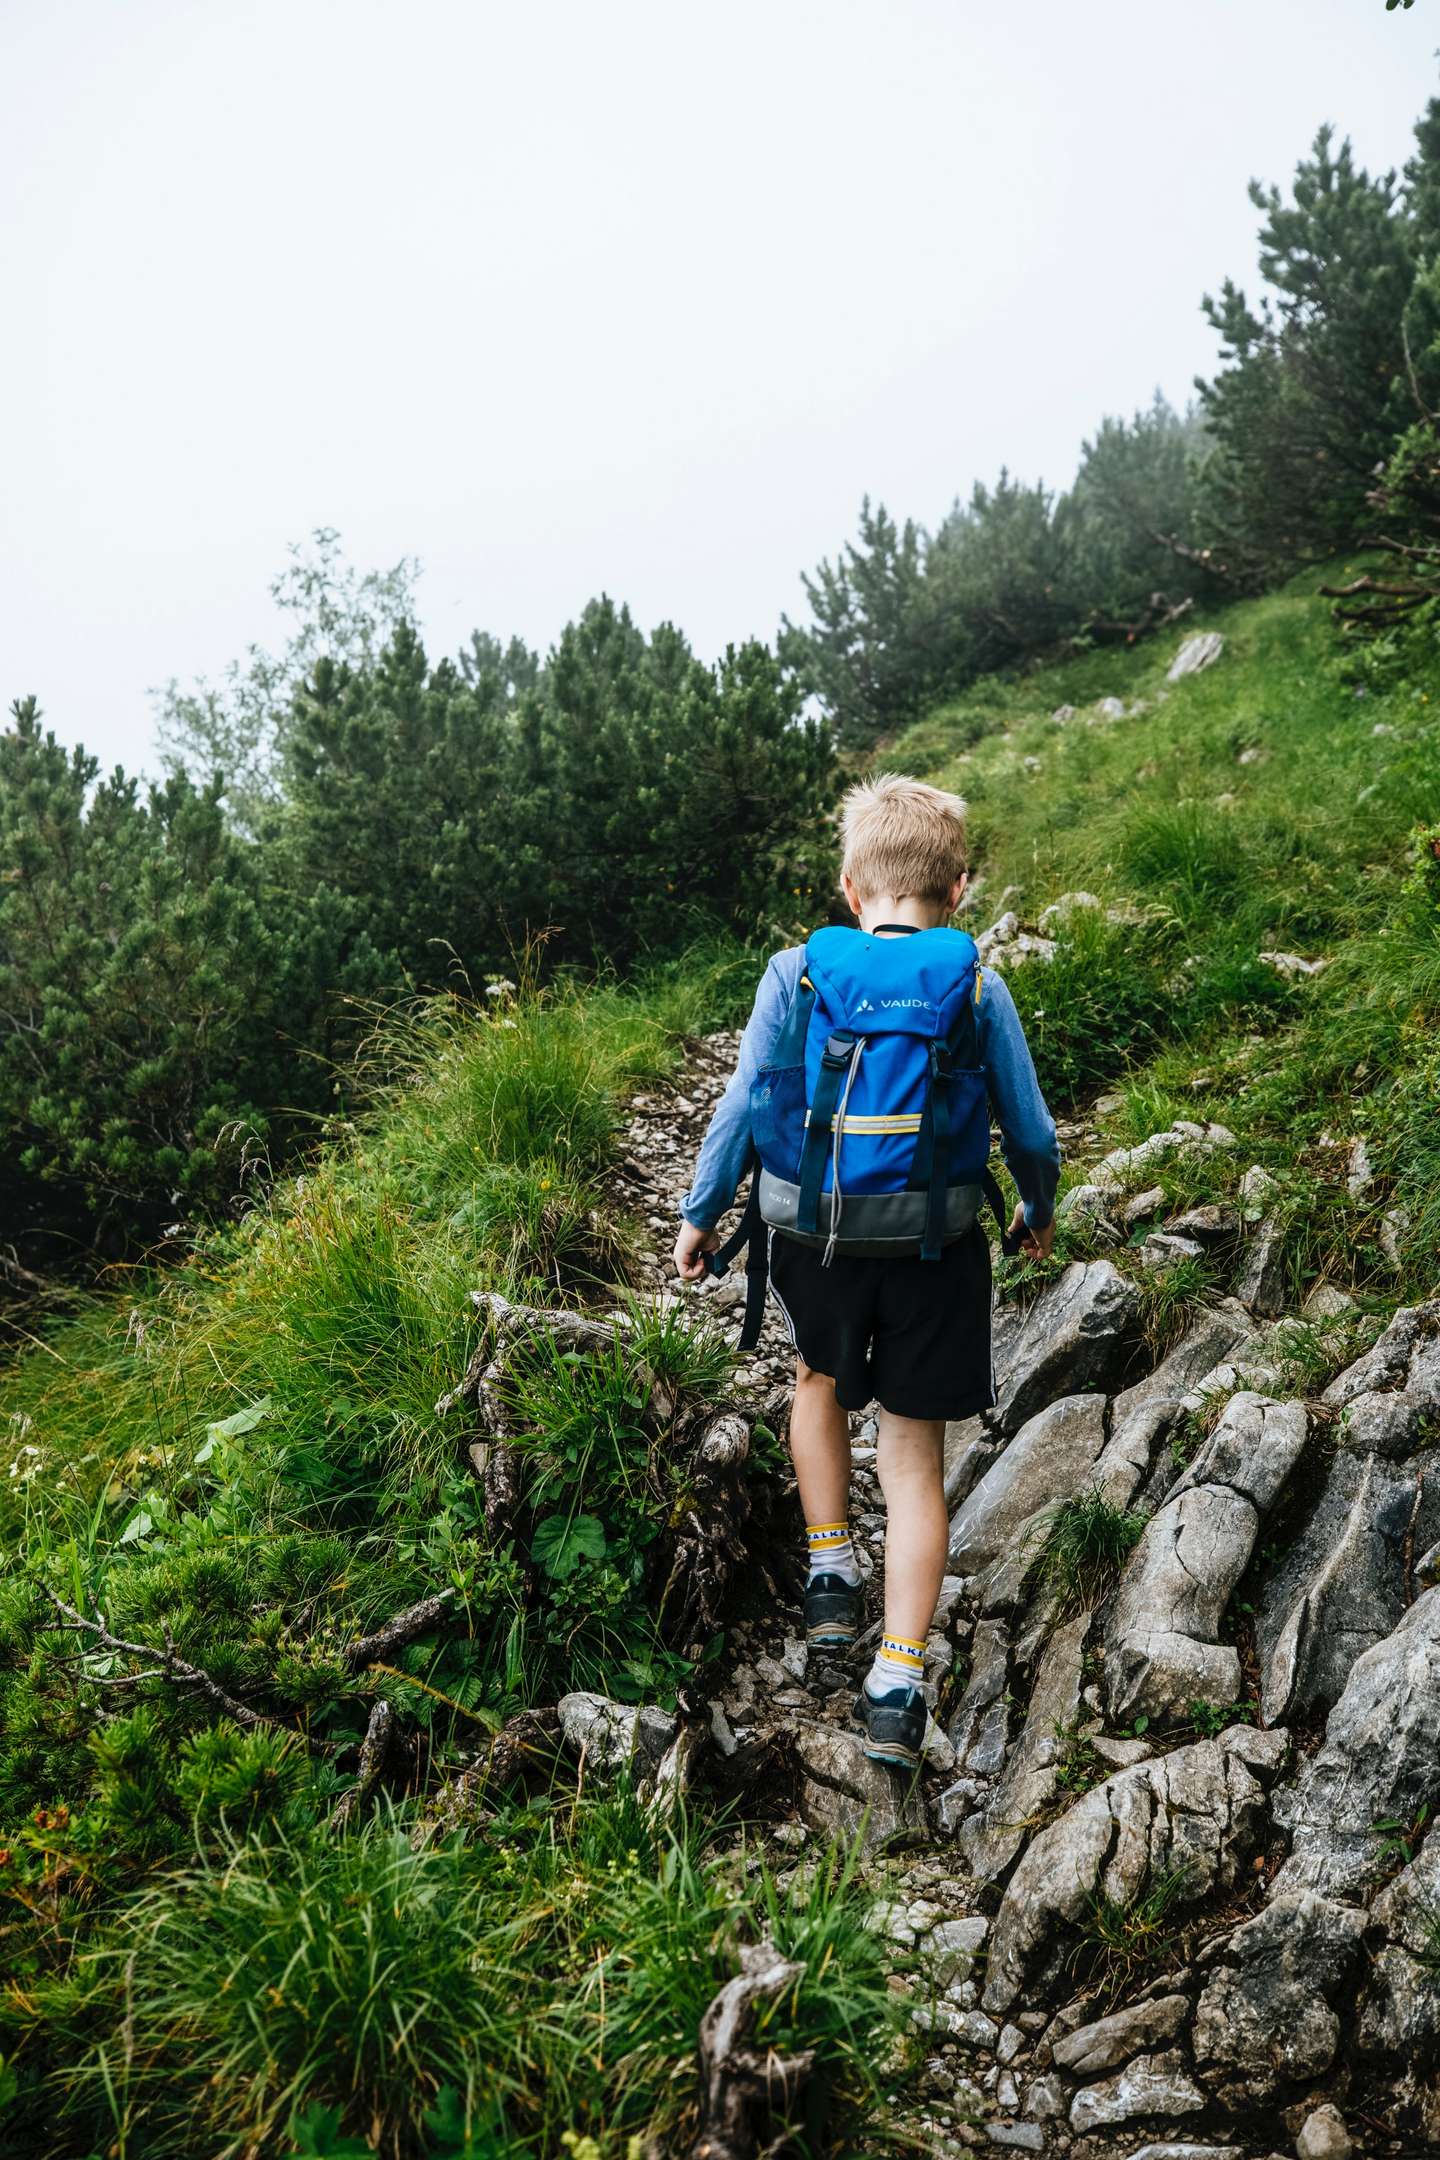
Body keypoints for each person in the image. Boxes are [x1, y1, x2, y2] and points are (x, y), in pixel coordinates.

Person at [673, 774, 1060, 1767]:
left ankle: (831, 1571)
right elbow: (1030, 1130)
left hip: (816, 1237)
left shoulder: (795, 974)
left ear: (851, 887)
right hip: (935, 1245)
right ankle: (897, 1679)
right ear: (958, 889)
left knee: (817, 1380)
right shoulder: (976, 982)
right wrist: (1035, 1208)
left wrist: (702, 1212)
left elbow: (738, 1109)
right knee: (915, 1451)